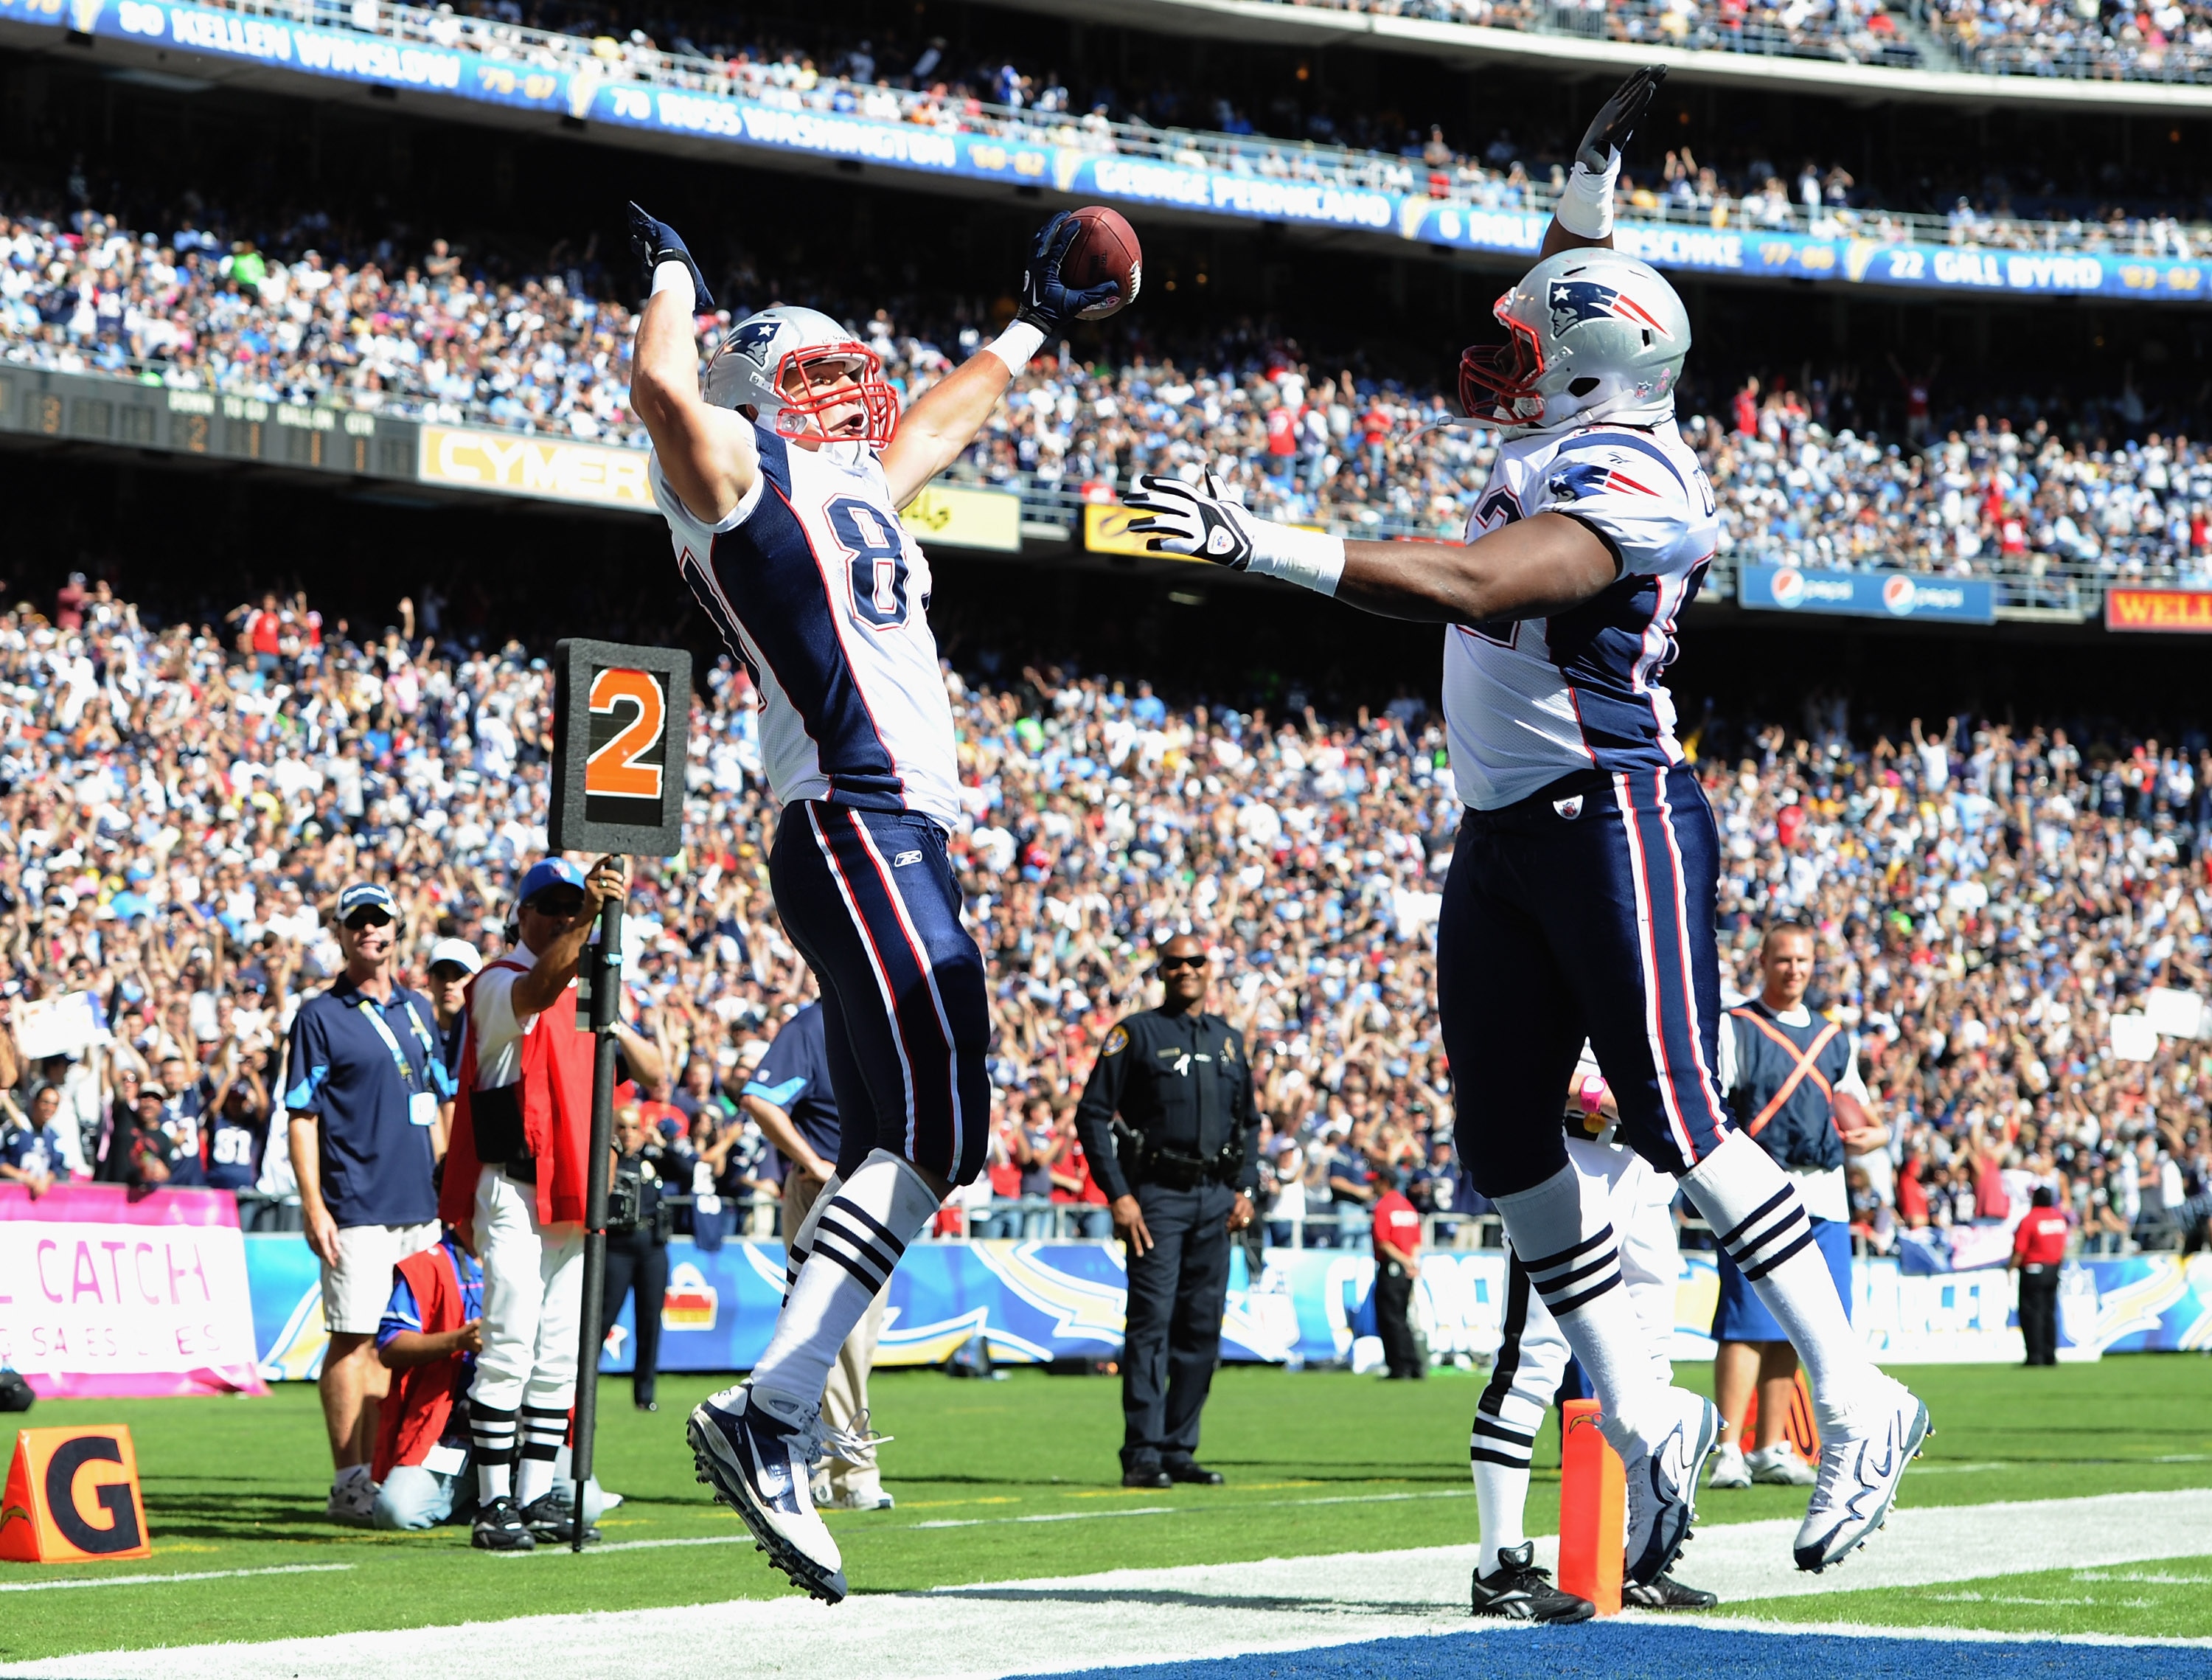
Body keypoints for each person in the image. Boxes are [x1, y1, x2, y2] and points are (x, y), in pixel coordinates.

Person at [1122, 64, 1927, 1584]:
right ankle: (1639, 1402)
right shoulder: (1581, 417)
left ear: (1591, 364)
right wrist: (1586, 191)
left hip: (1614, 811)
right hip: (1503, 827)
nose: (1502, 356)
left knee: (1678, 1111)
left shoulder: (1641, 470)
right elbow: (1571, 297)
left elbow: (1494, 585)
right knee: (1503, 1138)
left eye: (1530, 343)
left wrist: (1262, 541)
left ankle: (1862, 1390)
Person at [627, 195, 1119, 1605]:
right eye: (807, 374)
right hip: (854, 814)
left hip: (891, 826)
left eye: (845, 369)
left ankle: (774, 1407)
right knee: (942, 1123)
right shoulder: (729, 477)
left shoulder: (842, 482)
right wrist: (676, 271)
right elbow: (666, 383)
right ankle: (772, 1412)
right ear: (747, 397)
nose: (846, 389)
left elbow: (937, 426)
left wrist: (1032, 325)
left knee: (929, 1134)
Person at [439, 855, 663, 1551]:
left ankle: (535, 1495)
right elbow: (538, 986)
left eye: (575, 907)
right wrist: (593, 920)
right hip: (513, 1185)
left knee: (559, 1353)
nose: (567, 916)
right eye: (555, 907)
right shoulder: (497, 984)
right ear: (522, 915)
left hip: (570, 1187)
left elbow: (654, 1074)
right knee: (508, 1343)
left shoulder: (581, 987)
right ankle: (494, 1501)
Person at [1470, 1047, 1715, 1622]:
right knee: (1532, 1362)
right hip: (1568, 1152)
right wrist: (1593, 1092)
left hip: (1644, 1165)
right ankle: (1497, 1567)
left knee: (1651, 1366)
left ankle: (1634, 1557)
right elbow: (1505, 1049)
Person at [282, 881, 453, 1528]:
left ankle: (381, 1470)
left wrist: (448, 1186)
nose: (370, 932)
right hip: (354, 1202)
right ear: (341, 933)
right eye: (358, 923)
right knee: (352, 1339)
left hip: (419, 1203)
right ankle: (346, 1478)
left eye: (380, 921)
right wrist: (313, 1205)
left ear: (396, 929)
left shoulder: (417, 1010)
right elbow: (300, 1117)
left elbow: (441, 1101)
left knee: (394, 1342)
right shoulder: (319, 1016)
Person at [1072, 933, 1259, 1489]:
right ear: (1161, 970)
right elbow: (1092, 1115)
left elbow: (1248, 1122)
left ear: (1210, 968)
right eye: (1175, 963)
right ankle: (1143, 1453)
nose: (1185, 970)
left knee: (1202, 1328)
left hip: (1215, 1200)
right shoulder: (1136, 1035)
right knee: (1151, 1326)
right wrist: (1119, 1195)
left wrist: (1246, 1187)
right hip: (1155, 1198)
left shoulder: (1229, 1041)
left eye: (1195, 961)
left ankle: (1180, 1448)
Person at [1705, 923, 1888, 1491]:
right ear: (1763, 960)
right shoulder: (1737, 1027)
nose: (1794, 969)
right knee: (1744, 1322)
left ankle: (1771, 1444)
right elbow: (1715, 1100)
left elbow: (1853, 1102)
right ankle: (1729, 1447)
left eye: (1803, 959)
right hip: (1757, 1190)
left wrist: (1873, 1137)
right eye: (1783, 959)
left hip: (1825, 1193)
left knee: (1798, 1325)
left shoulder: (1836, 1037)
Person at [741, 1002, 895, 1512]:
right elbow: (760, 1098)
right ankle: (855, 1471)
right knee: (841, 1336)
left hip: (878, 1192)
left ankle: (818, 1463)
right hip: (830, 1188)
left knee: (861, 1338)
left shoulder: (878, 1021)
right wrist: (810, 1160)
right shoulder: (813, 1025)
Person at [372, 1226, 618, 1535]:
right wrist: (456, 1341)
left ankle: (517, 1497)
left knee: (587, 1506)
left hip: (529, 1435)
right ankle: (487, 1502)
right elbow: (389, 1346)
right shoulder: (427, 1265)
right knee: (395, 1512)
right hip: (453, 1436)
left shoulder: (546, 1258)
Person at [603, 1103, 675, 1415]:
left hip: (652, 1248)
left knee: (649, 1323)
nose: (629, 1134)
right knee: (602, 1319)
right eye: (622, 1127)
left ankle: (644, 1394)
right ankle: (580, 1388)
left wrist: (660, 1144)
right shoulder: (607, 1160)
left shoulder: (652, 1160)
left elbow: (687, 1170)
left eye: (634, 1128)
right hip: (617, 1247)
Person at [1371, 1174, 1425, 1381]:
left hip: (1393, 1267)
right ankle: (1413, 1364)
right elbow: (1417, 1241)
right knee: (1402, 1318)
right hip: (1408, 1268)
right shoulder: (1407, 1206)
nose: (1372, 1186)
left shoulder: (1384, 1206)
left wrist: (1404, 1262)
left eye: (1375, 1182)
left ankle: (1399, 1366)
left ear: (1384, 1182)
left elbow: (1384, 1242)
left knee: (1391, 1319)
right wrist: (1412, 1262)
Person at [2011, 1184, 2069, 1367]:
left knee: (2032, 1314)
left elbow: (2020, 1249)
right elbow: (2063, 1245)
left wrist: (2010, 1268)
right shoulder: (2059, 1219)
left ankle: (2035, 1356)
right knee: (2049, 1313)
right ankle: (2050, 1355)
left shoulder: (2029, 1220)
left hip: (2033, 1270)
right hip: (2053, 1268)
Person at [426, 938, 482, 1075]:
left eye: (458, 976)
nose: (449, 985)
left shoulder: (486, 1040)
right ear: (429, 982)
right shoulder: (417, 1037)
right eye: (441, 976)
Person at [1, 1085, 66, 1199]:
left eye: (54, 1104)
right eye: (45, 1102)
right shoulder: (14, 1130)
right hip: (8, 1200)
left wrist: (45, 1180)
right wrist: (22, 1177)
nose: (49, 1108)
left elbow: (57, 1168)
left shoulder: (54, 1137)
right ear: (35, 1102)